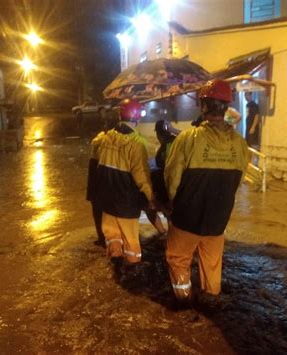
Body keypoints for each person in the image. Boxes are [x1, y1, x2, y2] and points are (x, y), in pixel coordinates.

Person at [164, 79, 249, 308]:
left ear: (203, 106)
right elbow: (239, 180)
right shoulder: (240, 144)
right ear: (226, 107)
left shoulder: (187, 138)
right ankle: (211, 302)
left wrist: (172, 203)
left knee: (179, 259)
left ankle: (184, 301)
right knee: (212, 263)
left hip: (187, 217)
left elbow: (172, 178)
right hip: (218, 219)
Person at [95, 98, 155, 264]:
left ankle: (115, 265)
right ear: (136, 116)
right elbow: (141, 174)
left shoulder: (106, 138)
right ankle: (132, 269)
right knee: (131, 243)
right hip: (126, 201)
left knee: (112, 237)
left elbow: (98, 160)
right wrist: (151, 197)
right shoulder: (137, 143)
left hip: (106, 198)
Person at [145, 120, 178, 234]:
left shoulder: (164, 148)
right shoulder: (179, 140)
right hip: (182, 186)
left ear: (158, 134)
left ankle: (164, 233)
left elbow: (163, 168)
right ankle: (171, 234)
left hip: (168, 186)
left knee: (149, 208)